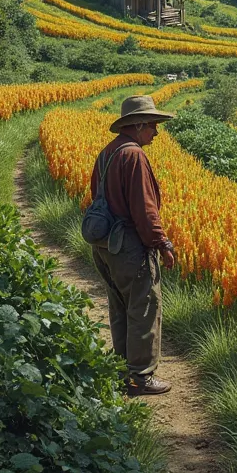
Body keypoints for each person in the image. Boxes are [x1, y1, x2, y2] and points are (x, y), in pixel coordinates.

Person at [89, 94, 176, 396]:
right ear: (138, 125)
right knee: (144, 307)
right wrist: (161, 242)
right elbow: (144, 208)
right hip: (128, 246)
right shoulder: (134, 156)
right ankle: (141, 377)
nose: (156, 131)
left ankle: (121, 369)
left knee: (120, 307)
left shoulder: (108, 153)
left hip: (104, 245)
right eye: (153, 125)